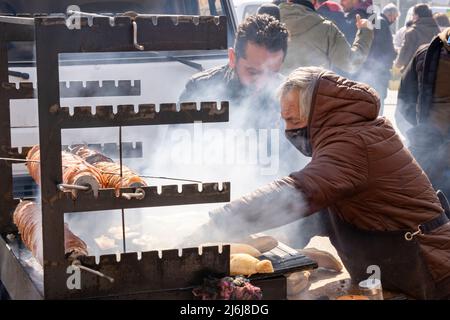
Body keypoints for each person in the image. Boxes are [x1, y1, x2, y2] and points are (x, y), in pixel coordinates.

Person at [186, 66, 450, 300]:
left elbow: (300, 191)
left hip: (431, 268)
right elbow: (322, 209)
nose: (289, 130)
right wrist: (281, 248)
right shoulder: (349, 134)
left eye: (293, 120)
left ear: (318, 113)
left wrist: (222, 221)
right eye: (285, 120)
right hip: (402, 268)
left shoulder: (355, 142)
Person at [179, 14, 288, 128]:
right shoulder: (198, 88)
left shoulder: (289, 96)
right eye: (253, 72)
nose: (262, 84)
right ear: (232, 58)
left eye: (271, 74)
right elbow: (176, 141)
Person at [397, 27, 450, 198]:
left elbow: (405, 102)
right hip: (431, 144)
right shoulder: (425, 53)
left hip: (429, 145)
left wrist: (422, 130)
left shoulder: (426, 53)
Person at [279, 0, 373, 74]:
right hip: (314, 95)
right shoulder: (327, 29)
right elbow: (351, 63)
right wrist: (365, 31)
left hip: (277, 96)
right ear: (314, 1)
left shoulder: (271, 21)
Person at [353, 3, 399, 113]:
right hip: (378, 70)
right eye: (395, 17)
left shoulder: (377, 21)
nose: (395, 20)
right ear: (391, 15)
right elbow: (385, 48)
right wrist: (395, 53)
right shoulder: (382, 23)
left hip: (369, 67)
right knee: (377, 102)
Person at [395, 4, 440, 70]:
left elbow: (406, 52)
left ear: (417, 16)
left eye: (413, 15)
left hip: (414, 71)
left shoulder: (412, 32)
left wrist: (398, 65)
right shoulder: (437, 31)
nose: (412, 17)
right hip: (433, 70)